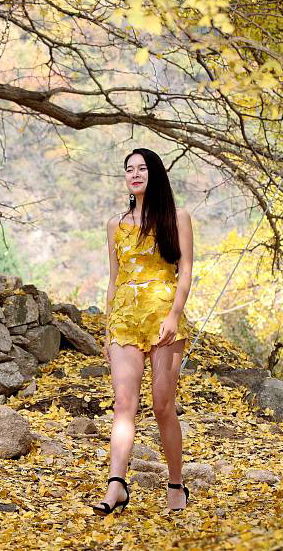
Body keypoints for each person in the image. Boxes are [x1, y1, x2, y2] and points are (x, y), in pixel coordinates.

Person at [92, 148, 194, 515]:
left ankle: (176, 483)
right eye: (129, 170)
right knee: (124, 403)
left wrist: (174, 315)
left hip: (163, 319)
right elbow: (113, 278)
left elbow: (186, 272)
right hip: (124, 320)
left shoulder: (177, 217)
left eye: (142, 168)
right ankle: (116, 483)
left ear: (155, 174)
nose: (135, 174)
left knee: (163, 405)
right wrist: (107, 330)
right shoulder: (114, 224)